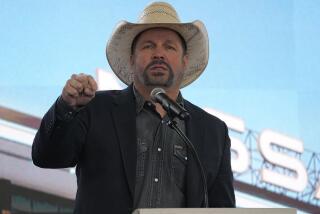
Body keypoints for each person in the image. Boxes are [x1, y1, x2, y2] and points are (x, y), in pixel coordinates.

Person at [32, 2, 235, 213]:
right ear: (131, 59)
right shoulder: (96, 108)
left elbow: (224, 208)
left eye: (169, 46)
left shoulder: (213, 132)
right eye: (148, 46)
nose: (159, 54)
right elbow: (45, 157)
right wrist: (66, 107)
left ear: (185, 61)